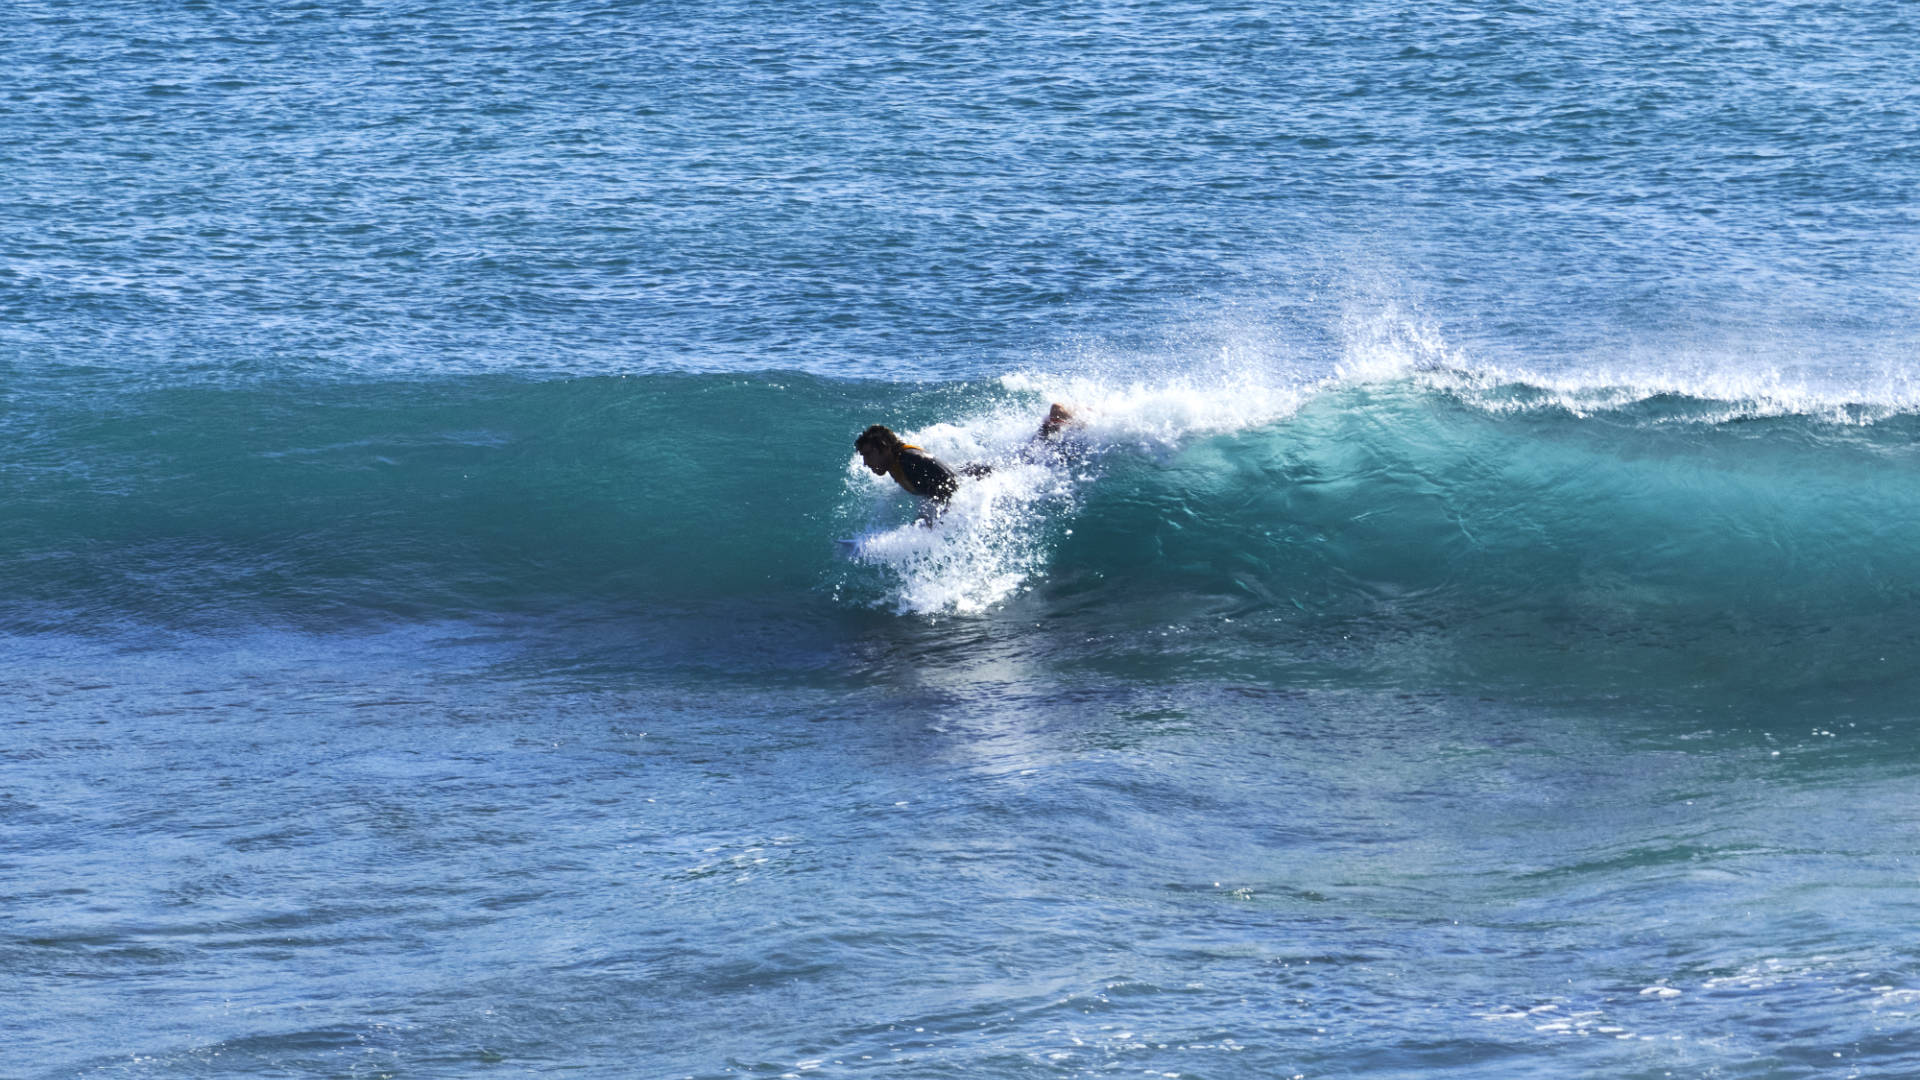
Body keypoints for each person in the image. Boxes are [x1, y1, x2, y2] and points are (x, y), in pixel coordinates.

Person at [855, 404, 1075, 515]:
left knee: (1036, 461)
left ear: (883, 448)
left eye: (868, 455)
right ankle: (1052, 422)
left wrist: (932, 514)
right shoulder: (897, 463)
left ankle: (1059, 420)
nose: (866, 463)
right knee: (1030, 455)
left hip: (981, 475)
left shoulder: (911, 459)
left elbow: (949, 480)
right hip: (972, 470)